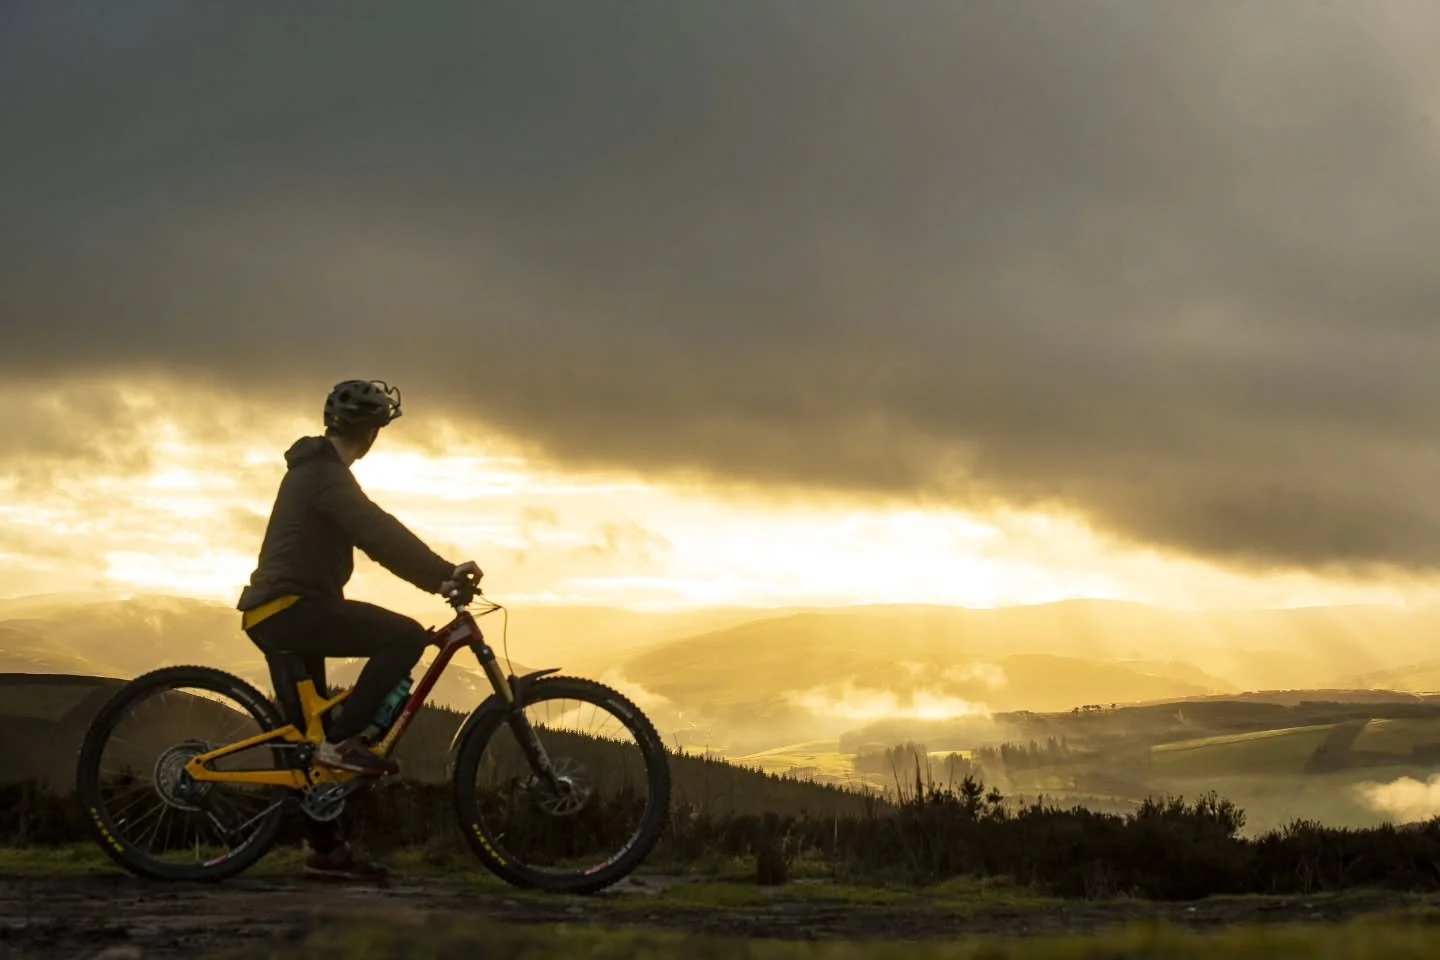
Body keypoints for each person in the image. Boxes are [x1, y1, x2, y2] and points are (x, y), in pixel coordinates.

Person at [236, 379, 481, 881]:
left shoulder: (317, 471)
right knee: (405, 637)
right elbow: (377, 532)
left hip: (283, 611)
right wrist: (442, 576)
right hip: (290, 609)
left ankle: (326, 849)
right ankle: (346, 744)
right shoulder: (325, 476)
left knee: (310, 748)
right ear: (372, 434)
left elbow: (374, 534)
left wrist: (436, 575)